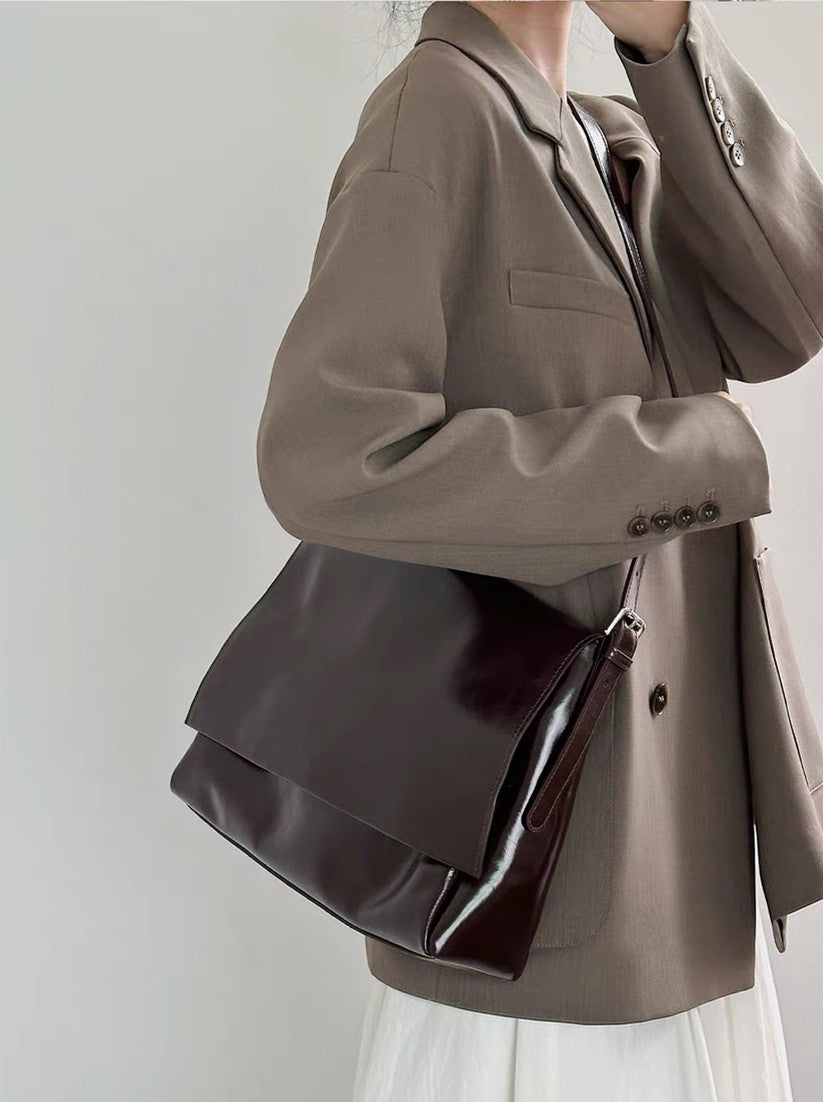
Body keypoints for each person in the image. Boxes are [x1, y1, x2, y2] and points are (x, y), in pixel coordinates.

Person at [254, 2, 823, 1097]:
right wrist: (681, 454)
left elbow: (794, 306)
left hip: (684, 841)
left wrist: (667, 43)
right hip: (551, 876)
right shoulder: (435, 110)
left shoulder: (615, 136)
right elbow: (325, 452)